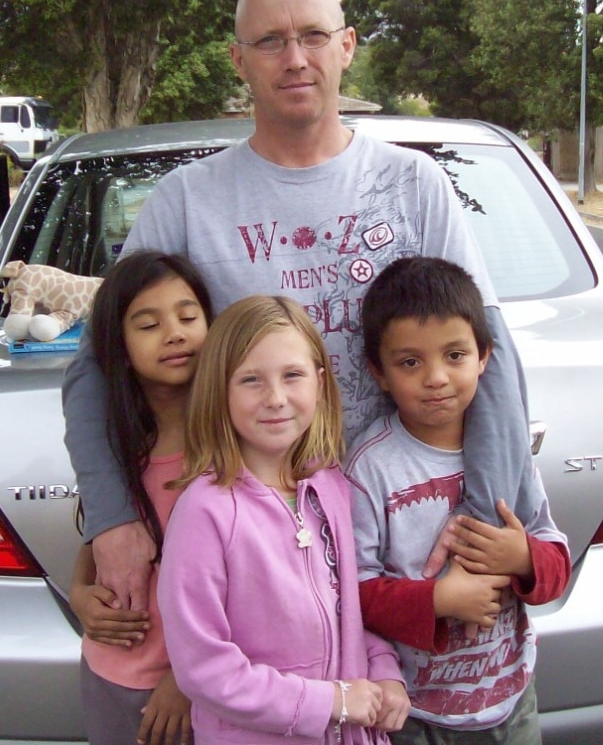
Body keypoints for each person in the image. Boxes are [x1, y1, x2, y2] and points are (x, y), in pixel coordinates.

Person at [62, 0, 537, 614]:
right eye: (269, 41)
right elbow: (95, 366)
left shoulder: (415, 185)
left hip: (411, 552)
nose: (294, 58)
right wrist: (112, 519)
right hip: (255, 563)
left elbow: (491, 359)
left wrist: (478, 527)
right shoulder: (184, 203)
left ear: (346, 46)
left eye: (313, 35)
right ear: (238, 59)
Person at [156, 294, 409, 743]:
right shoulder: (205, 512)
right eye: (251, 380)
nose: (275, 398)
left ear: (319, 382)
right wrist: (328, 701)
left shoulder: (332, 487)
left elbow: (351, 610)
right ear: (220, 391)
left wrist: (384, 672)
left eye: (292, 375)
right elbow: (203, 668)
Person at [344, 257, 572, 743]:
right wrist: (438, 600)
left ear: (485, 356)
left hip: (511, 704)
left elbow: (556, 559)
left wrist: (522, 558)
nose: (436, 378)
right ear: (378, 372)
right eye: (410, 362)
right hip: (415, 717)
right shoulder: (370, 469)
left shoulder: (506, 457)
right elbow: (353, 592)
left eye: (455, 355)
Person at [69, 250, 214, 745]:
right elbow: (97, 543)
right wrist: (79, 596)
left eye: (188, 316)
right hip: (108, 676)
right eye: (148, 325)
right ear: (119, 347)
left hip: (195, 692)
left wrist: (186, 680)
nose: (175, 333)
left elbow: (247, 584)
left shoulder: (232, 455)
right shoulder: (117, 452)